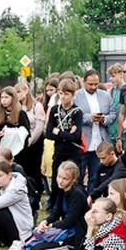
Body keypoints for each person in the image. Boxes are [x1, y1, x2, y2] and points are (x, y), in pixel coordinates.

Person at [25, 160, 88, 250]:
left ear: (73, 179)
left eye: (65, 178)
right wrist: (46, 222)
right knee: (29, 242)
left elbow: (70, 221)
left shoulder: (77, 194)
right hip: (64, 230)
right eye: (59, 177)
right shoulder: (62, 189)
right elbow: (56, 211)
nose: (60, 181)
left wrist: (51, 226)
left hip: (74, 235)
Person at [44, 78, 84, 211]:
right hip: (59, 152)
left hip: (73, 152)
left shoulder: (77, 112)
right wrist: (66, 135)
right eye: (60, 93)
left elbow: (76, 136)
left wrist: (59, 133)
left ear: (73, 94)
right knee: (57, 182)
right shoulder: (55, 110)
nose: (63, 97)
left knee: (74, 181)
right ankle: (55, 207)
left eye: (66, 94)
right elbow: (48, 133)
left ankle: (74, 207)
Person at [75, 69, 114, 190]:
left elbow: (113, 114)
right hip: (83, 143)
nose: (93, 87)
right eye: (90, 84)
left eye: (96, 84)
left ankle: (93, 198)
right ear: (84, 82)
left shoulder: (105, 95)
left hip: (100, 142)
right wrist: (89, 118)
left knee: (95, 177)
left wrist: (104, 119)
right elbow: (73, 115)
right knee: (79, 176)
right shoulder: (76, 96)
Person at [14, 81, 48, 212]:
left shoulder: (36, 106)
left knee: (34, 171)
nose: (18, 95)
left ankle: (36, 197)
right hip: (20, 144)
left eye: (19, 92)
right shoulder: (17, 107)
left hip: (34, 144)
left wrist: (29, 141)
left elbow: (39, 127)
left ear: (26, 91)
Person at [0, 86, 31, 164]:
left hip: (19, 152)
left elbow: (25, 132)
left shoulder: (21, 114)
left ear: (13, 98)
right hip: (3, 149)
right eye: (2, 97)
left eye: (6, 97)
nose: (3, 100)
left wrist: (9, 132)